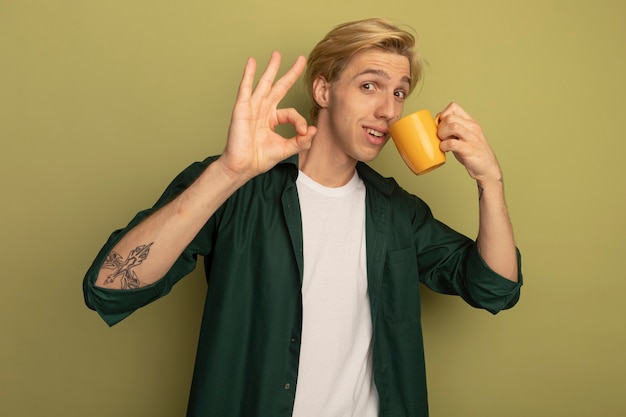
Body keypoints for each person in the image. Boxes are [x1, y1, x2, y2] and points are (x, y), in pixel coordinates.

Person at [83, 17, 522, 417]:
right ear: (323, 90)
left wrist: (491, 182)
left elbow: (495, 288)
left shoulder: (398, 212)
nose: (389, 110)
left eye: (399, 92)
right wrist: (228, 172)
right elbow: (110, 288)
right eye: (370, 85)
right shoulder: (239, 189)